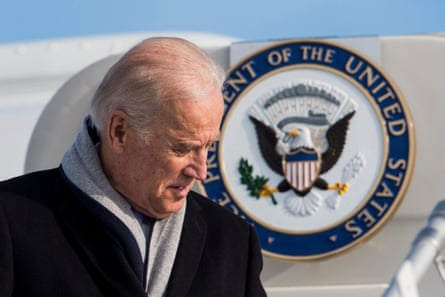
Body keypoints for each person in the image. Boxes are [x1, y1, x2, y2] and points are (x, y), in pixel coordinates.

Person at [0, 37, 267, 297]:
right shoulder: (11, 221)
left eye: (208, 146)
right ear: (120, 132)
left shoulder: (232, 241)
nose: (200, 171)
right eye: (182, 148)